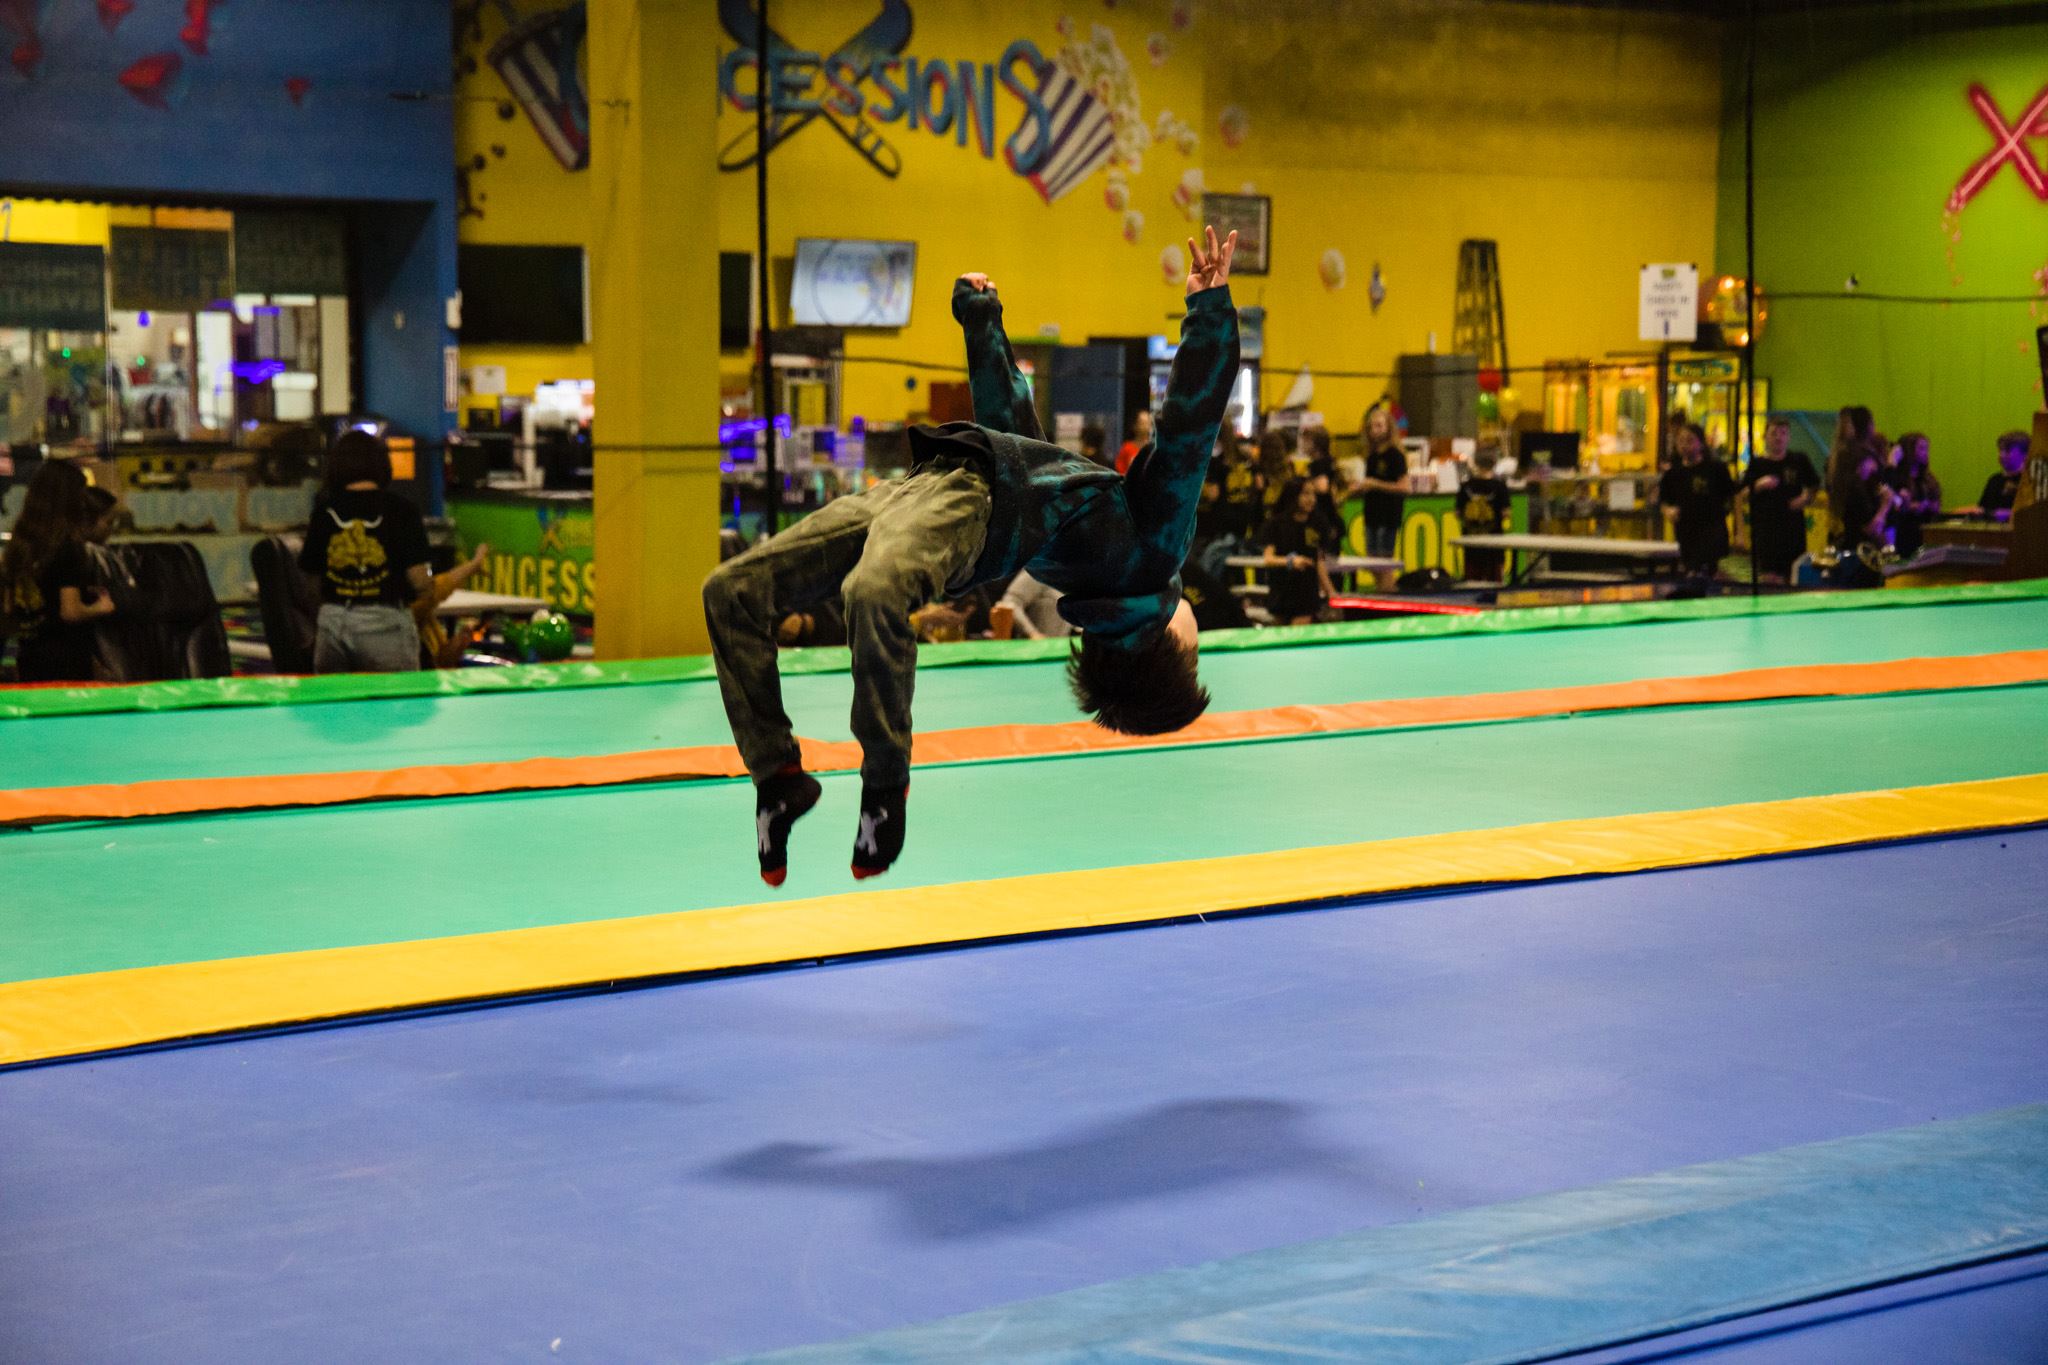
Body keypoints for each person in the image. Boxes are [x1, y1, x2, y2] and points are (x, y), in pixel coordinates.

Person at [704, 226, 1242, 885]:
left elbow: (1190, 427)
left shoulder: (1151, 558)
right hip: (925, 485)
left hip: (962, 504)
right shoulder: (1089, 574)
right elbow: (1012, 435)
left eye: (1195, 647)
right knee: (731, 591)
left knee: (872, 591)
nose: (1198, 629)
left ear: (1164, 643)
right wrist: (983, 320)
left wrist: (1209, 312)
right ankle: (778, 776)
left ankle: (885, 789)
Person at [298, 430, 434, 674]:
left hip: (333, 623)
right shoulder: (403, 510)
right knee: (396, 706)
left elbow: (310, 579)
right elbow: (419, 579)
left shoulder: (323, 511)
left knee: (333, 707)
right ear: (382, 464)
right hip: (385, 623)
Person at [0, 459, 116, 683]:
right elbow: (70, 611)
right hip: (66, 658)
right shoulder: (68, 547)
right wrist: (100, 608)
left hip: (28, 655)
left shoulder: (20, 545)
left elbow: (8, 608)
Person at [1741, 417, 1820, 583]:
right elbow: (1742, 494)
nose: (1778, 437)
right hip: (1766, 530)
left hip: (1792, 529)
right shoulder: (1757, 464)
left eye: (1783, 433)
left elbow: (1814, 486)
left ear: (1788, 437)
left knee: (1794, 574)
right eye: (1774, 433)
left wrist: (1805, 499)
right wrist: (1759, 485)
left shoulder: (1798, 460)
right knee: (1769, 578)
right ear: (1765, 437)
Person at [1659, 422, 1735, 579]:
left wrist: (1739, 531)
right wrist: (1669, 511)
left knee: (1701, 572)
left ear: (1701, 443)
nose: (1684, 445)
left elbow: (1733, 494)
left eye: (1690, 440)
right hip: (1686, 532)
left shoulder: (1715, 469)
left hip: (1711, 530)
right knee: (1692, 571)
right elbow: (1664, 500)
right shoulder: (1673, 473)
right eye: (1680, 441)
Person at [1258, 476, 1335, 624]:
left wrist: (1331, 593)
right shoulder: (1276, 524)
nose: (1311, 499)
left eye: (1313, 494)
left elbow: (1319, 561)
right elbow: (1268, 559)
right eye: (1306, 494)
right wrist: (1290, 562)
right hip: (1281, 591)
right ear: (1293, 495)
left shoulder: (1318, 523)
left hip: (1306, 594)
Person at [1828, 432, 1892, 558]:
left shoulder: (1852, 486)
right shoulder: (1854, 490)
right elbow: (1871, 529)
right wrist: (1885, 505)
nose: (1874, 467)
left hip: (1856, 547)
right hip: (1859, 551)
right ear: (1861, 464)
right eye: (1871, 462)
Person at [1355, 403, 1406, 558]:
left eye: (1379, 426)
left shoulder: (1395, 455)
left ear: (1388, 428)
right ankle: (1381, 584)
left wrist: (1375, 484)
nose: (1375, 431)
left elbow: (1404, 487)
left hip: (1388, 515)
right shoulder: (1371, 456)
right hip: (1372, 514)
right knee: (1372, 560)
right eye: (1371, 427)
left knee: (1384, 562)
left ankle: (1387, 584)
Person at [1455, 446, 1513, 582]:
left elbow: (1457, 513)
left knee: (1471, 581)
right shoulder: (1500, 486)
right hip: (1494, 543)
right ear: (1494, 463)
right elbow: (1506, 513)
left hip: (1471, 543)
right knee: (1494, 581)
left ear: (1475, 462)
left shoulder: (1465, 486)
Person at [1885, 432, 1942, 559]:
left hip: (1925, 532)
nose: (1926, 452)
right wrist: (1911, 506)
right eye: (1921, 448)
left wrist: (1930, 506)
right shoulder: (1898, 478)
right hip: (1905, 532)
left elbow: (1937, 504)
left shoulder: (1928, 479)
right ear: (1909, 450)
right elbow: (1892, 505)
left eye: (1927, 449)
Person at [1971, 430, 2031, 521]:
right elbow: (1983, 508)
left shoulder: (2031, 481)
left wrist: (2009, 514)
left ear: (2025, 454)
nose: (2002, 455)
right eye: (2000, 450)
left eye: (2007, 451)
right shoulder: (1994, 480)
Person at [996, 569, 1069, 639]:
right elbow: (1009, 603)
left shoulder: (1068, 577)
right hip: (1031, 648)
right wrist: (1032, 633)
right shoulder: (1037, 573)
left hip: (1059, 647)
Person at [1115, 410, 1153, 475]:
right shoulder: (1127, 448)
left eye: (1148, 423)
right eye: (1142, 423)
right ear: (1135, 425)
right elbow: (1120, 472)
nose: (1146, 427)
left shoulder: (1155, 448)